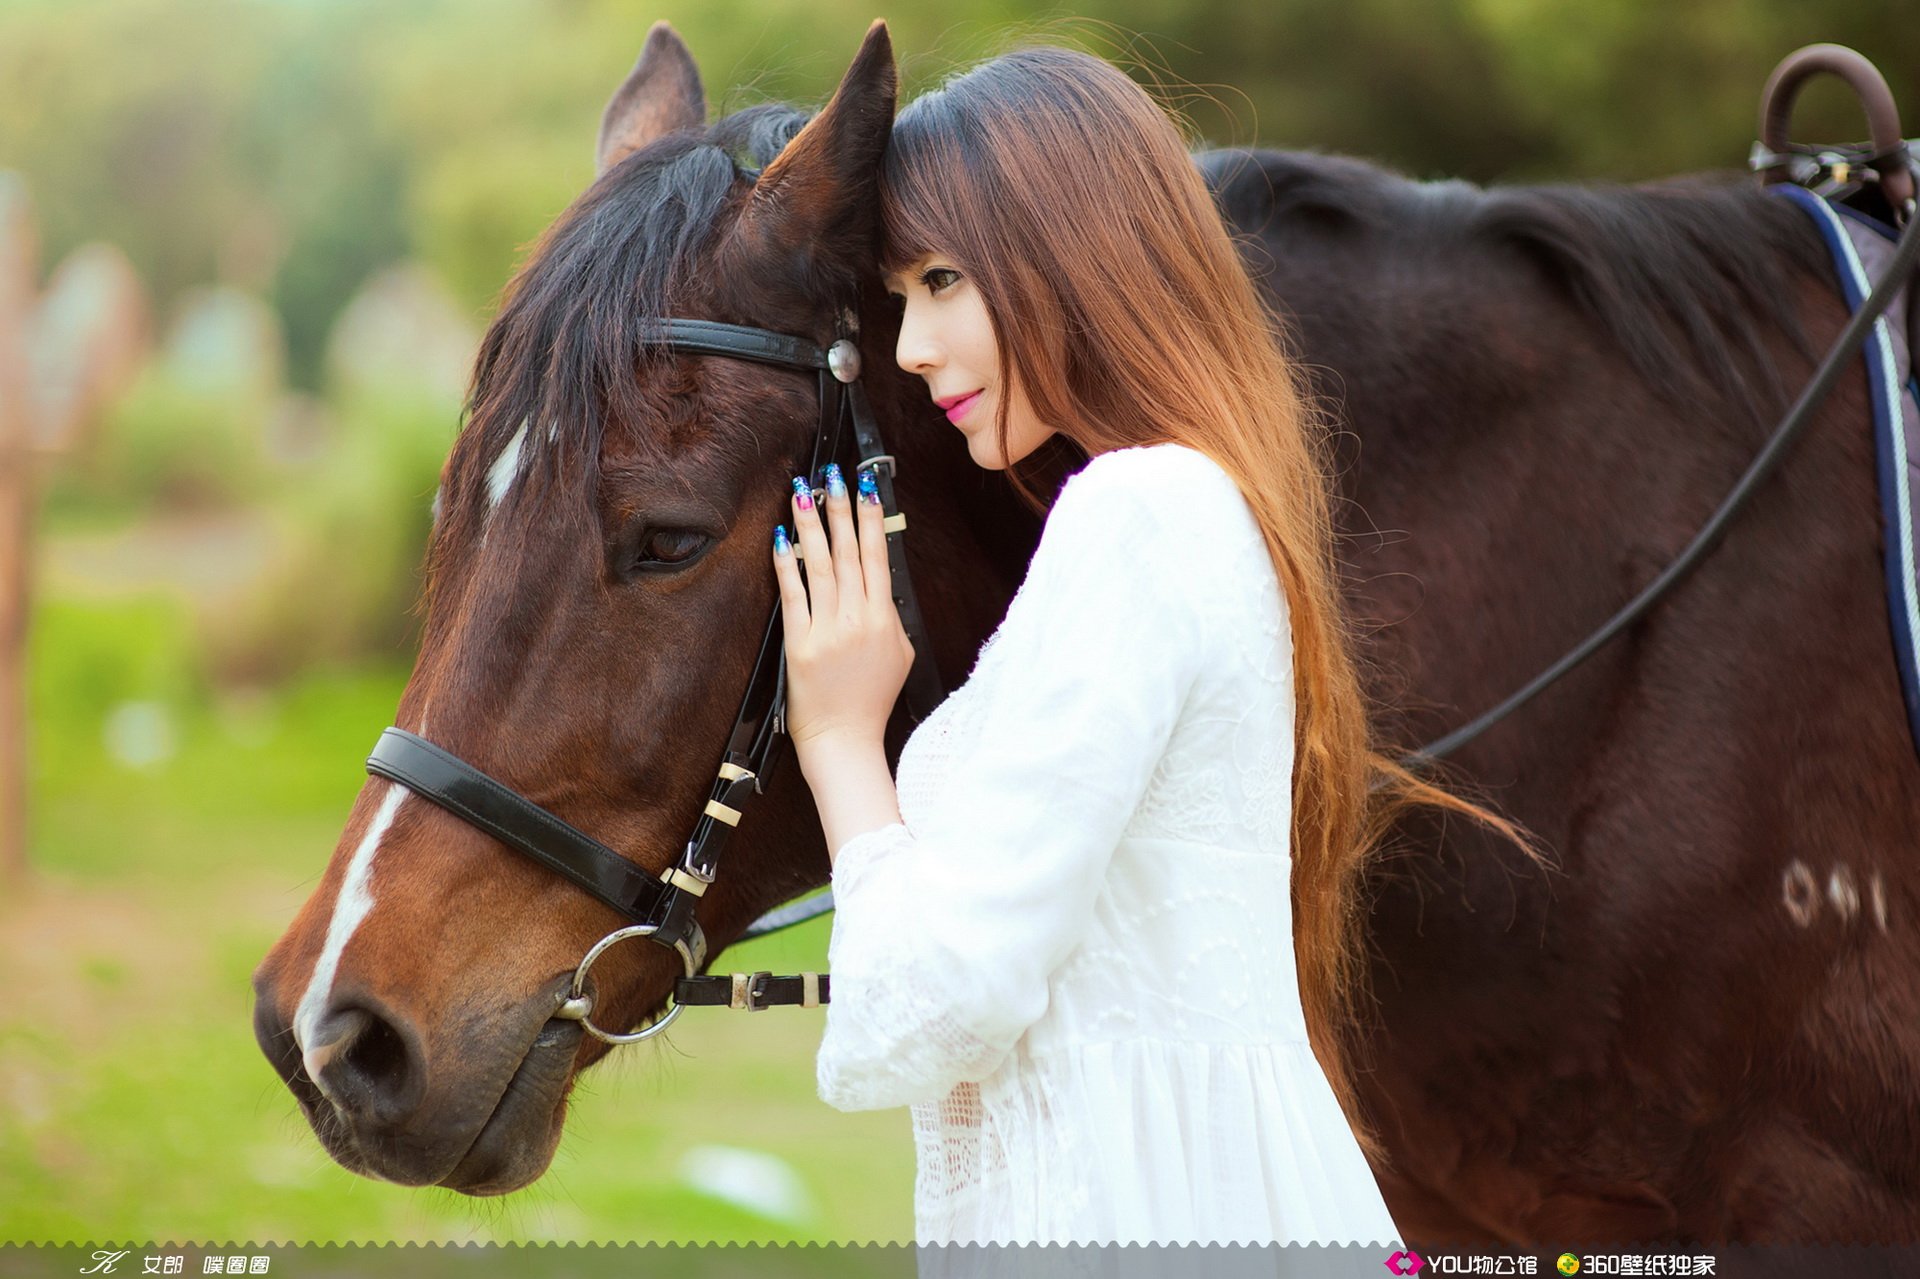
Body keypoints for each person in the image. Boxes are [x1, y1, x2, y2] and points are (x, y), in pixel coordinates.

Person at [768, 43, 1538, 1247]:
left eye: (940, 281)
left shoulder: (1138, 516)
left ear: (1069, 253)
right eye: (903, 295)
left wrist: (838, 737)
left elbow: (930, 1008)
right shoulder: (1194, 507)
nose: (911, 348)